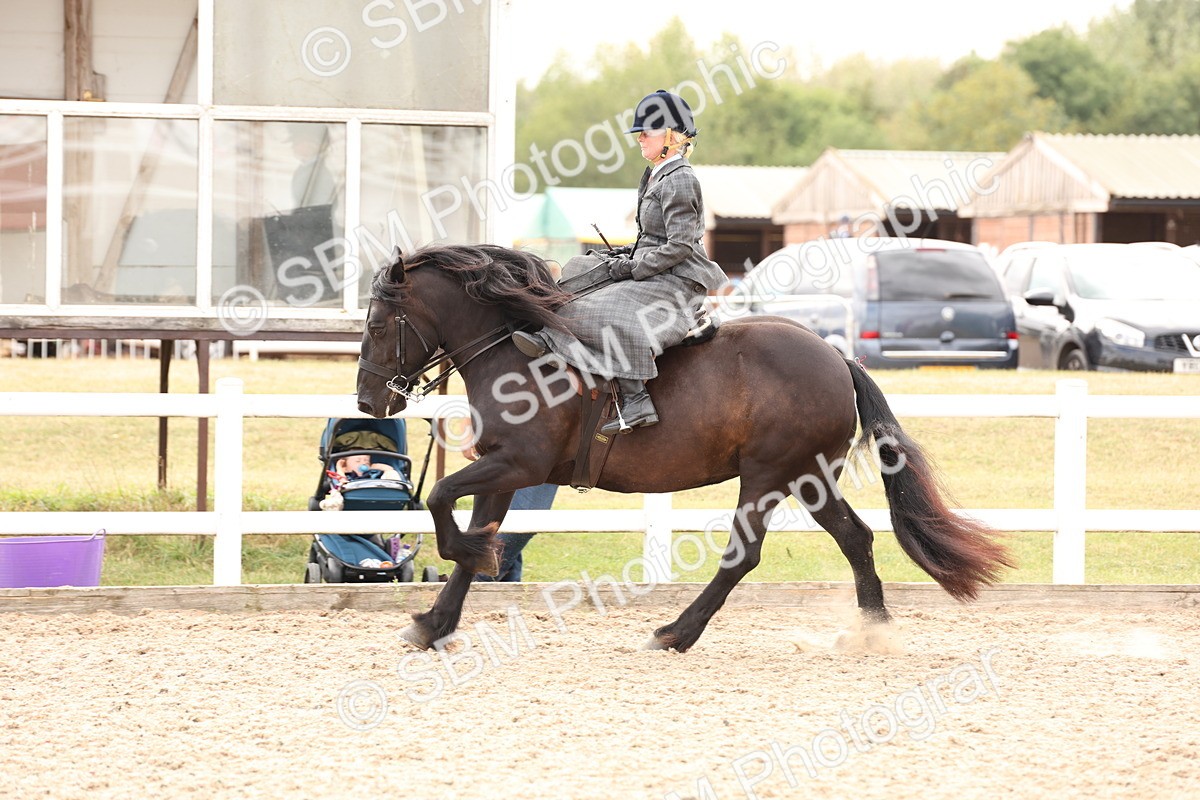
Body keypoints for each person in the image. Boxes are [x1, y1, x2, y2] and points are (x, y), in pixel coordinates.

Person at [511, 89, 728, 435]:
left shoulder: (681, 180)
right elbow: (651, 239)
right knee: (577, 272)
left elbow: (680, 247)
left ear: (671, 136)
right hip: (655, 269)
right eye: (639, 132)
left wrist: (632, 267)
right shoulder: (656, 175)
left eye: (647, 132)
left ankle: (636, 398)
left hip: (677, 280)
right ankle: (550, 337)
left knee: (604, 311)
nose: (640, 138)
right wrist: (623, 255)